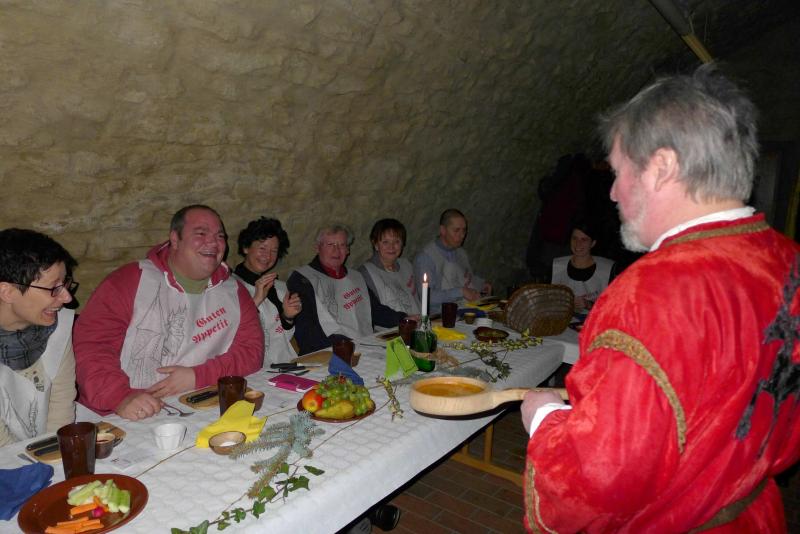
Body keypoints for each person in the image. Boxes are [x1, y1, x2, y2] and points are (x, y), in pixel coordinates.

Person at [520, 66, 800, 532]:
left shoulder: (651, 294)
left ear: (663, 167)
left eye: (618, 172)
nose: (613, 193)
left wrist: (544, 417)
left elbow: (601, 479)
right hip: (754, 514)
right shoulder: (788, 261)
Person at [74, 205, 263, 421]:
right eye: (201, 233)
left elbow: (251, 352)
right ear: (175, 239)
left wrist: (197, 376)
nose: (213, 242)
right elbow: (92, 347)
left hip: (200, 406)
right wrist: (120, 396)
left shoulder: (235, 291)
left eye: (220, 236)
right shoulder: (129, 280)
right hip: (120, 414)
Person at [0, 229, 78, 446]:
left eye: (65, 283)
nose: (67, 297)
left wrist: (55, 453)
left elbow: (61, 403)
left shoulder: (56, 327)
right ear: (7, 292)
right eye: (53, 288)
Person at [287, 223, 406, 355]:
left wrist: (405, 319)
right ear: (317, 248)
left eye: (342, 245)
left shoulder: (356, 277)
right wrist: (347, 346)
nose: (336, 250)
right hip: (326, 353)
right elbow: (307, 333)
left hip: (363, 346)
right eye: (330, 244)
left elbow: (376, 311)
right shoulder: (302, 280)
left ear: (348, 250)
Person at [233, 217, 301, 365]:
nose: (268, 256)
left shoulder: (278, 286)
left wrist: (288, 317)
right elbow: (229, 335)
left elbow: (282, 337)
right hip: (252, 367)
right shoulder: (230, 287)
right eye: (262, 248)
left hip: (284, 363)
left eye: (274, 251)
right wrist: (255, 301)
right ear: (246, 248)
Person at [413, 208, 491, 313]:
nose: (462, 235)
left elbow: (467, 278)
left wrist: (482, 285)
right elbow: (427, 297)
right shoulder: (425, 258)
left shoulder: (461, 253)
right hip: (442, 316)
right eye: (456, 230)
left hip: (467, 310)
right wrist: (460, 292)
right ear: (443, 230)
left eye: (464, 230)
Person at [358, 218, 420, 315]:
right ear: (376, 244)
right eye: (385, 242)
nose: (391, 247)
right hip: (392, 324)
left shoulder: (406, 265)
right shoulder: (365, 273)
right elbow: (374, 312)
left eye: (397, 242)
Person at [551, 221, 614, 311]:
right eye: (574, 238)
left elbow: (614, 307)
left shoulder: (608, 270)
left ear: (593, 243)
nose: (578, 244)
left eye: (584, 239)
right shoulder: (556, 266)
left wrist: (589, 305)